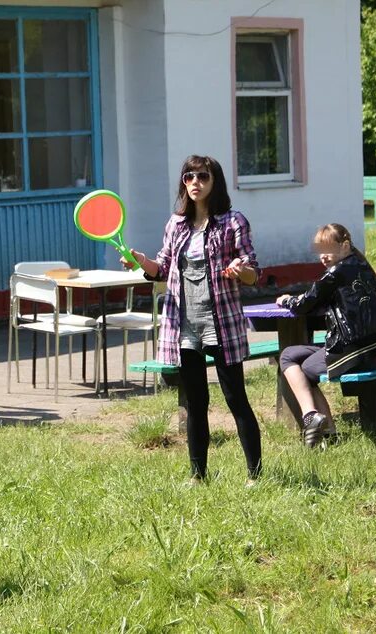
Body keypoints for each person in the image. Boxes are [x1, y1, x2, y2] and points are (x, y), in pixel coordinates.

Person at [126, 155, 263, 486]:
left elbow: (253, 273)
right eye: (189, 177)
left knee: (235, 399)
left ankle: (255, 476)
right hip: (184, 325)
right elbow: (161, 267)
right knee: (196, 403)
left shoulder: (233, 222)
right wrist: (143, 262)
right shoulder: (176, 224)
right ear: (183, 183)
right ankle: (198, 475)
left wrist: (240, 271)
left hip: (221, 323)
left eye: (202, 176)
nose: (195, 183)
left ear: (215, 181)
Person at [276, 223, 376, 448]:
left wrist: (286, 300)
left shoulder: (336, 272)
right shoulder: (362, 267)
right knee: (290, 354)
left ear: (345, 245)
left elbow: (305, 303)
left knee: (304, 369)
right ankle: (322, 425)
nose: (323, 256)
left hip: (355, 351)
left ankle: (317, 422)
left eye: (328, 249)